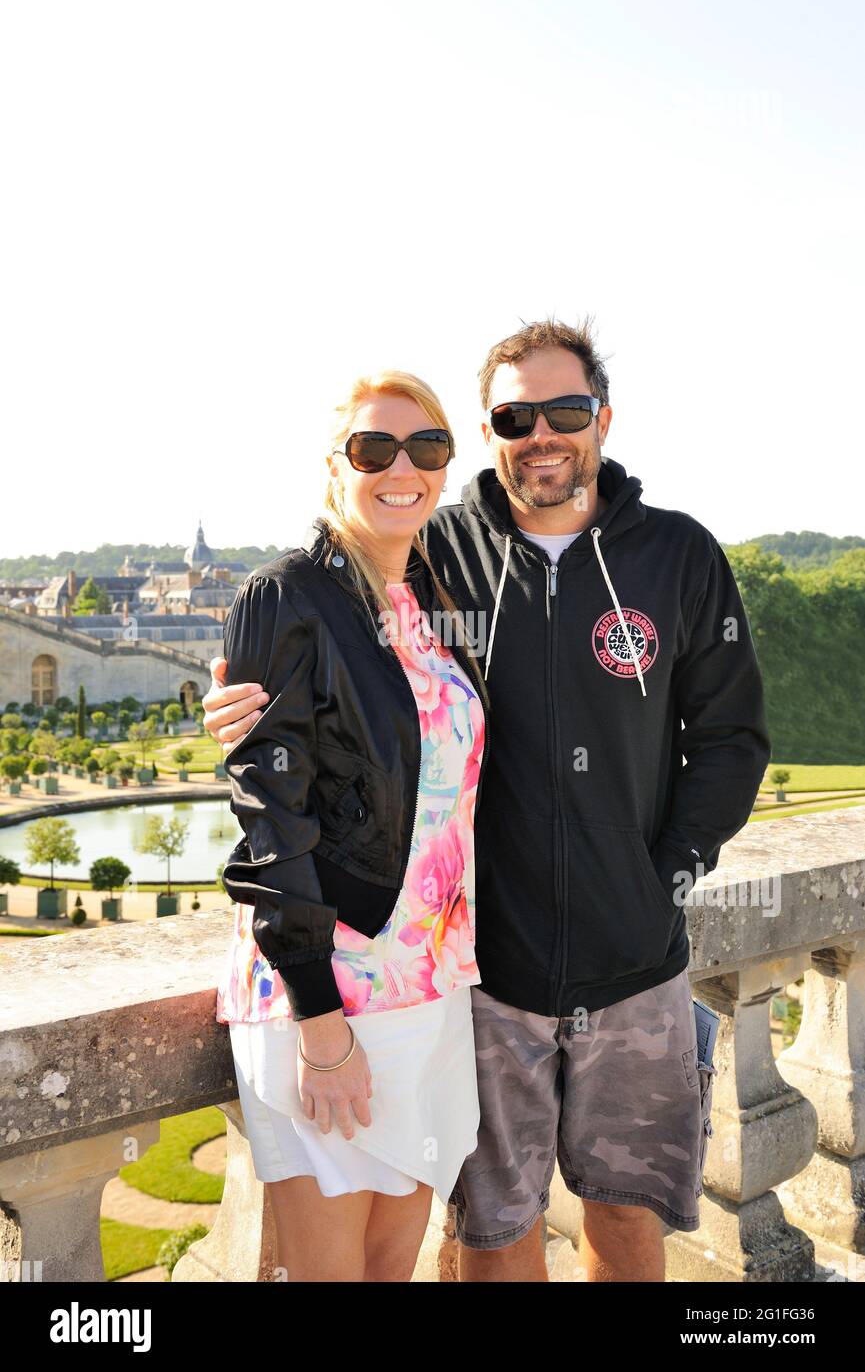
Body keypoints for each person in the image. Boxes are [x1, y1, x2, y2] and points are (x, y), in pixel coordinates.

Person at [206, 318, 771, 1283]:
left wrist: (661, 877)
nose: (542, 433)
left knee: (627, 1221)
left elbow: (728, 742)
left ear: (603, 418)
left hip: (626, 965)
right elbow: (310, 693)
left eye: (565, 410)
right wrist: (238, 708)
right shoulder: (440, 551)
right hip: (481, 977)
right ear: (492, 430)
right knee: (490, 1230)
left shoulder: (676, 555)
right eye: (516, 415)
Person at [213, 369, 489, 1282]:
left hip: (432, 983)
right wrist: (319, 1022)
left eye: (426, 447)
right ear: (335, 467)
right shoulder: (284, 597)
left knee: (388, 1272)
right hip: (328, 986)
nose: (400, 467)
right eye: (374, 448)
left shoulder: (432, 600)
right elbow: (269, 818)